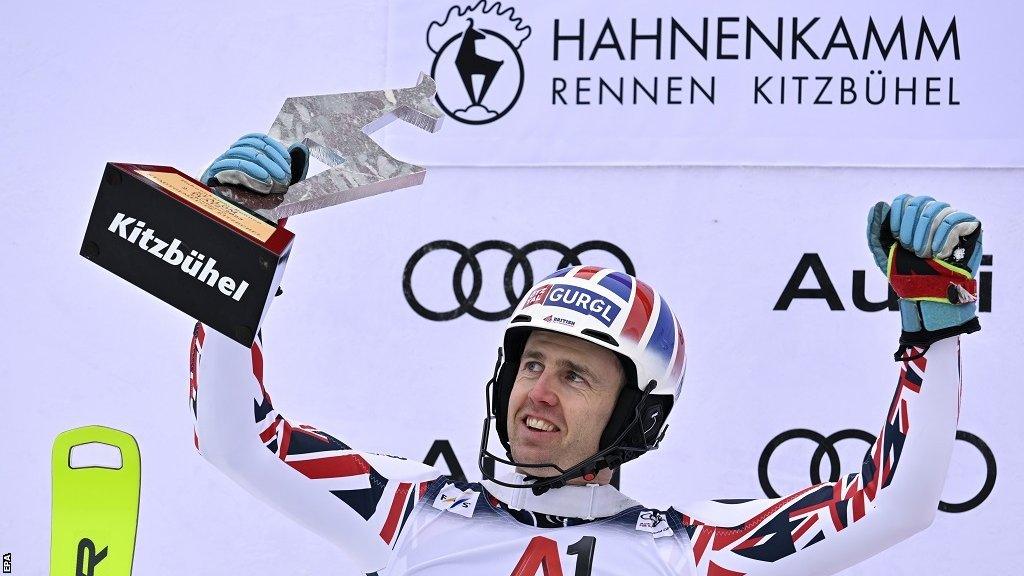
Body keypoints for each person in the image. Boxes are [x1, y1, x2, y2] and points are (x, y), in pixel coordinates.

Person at [189, 134, 983, 575]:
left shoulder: (694, 550)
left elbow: (894, 504)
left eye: (576, 375)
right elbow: (238, 438)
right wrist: (236, 245)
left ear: (636, 415)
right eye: (531, 365)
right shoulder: (409, 511)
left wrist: (933, 327)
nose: (538, 392)